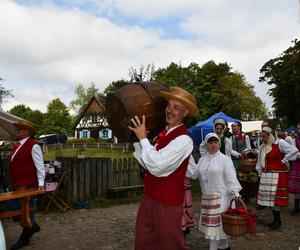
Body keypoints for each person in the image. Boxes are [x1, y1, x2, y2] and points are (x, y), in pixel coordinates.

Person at [129, 86, 199, 250]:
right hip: (149, 197)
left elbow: (158, 166)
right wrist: (139, 140)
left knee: (169, 245)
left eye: (177, 107)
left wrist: (144, 140)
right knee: (144, 242)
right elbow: (148, 162)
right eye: (169, 105)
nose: (170, 110)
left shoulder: (184, 139)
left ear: (185, 112)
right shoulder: (162, 134)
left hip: (167, 202)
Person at [187, 133, 242, 250]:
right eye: (210, 143)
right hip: (207, 199)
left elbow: (231, 178)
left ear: (219, 143)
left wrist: (235, 193)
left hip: (221, 200)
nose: (213, 145)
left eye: (215, 142)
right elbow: (193, 173)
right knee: (220, 233)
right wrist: (187, 157)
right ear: (206, 144)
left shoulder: (225, 160)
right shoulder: (202, 159)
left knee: (214, 233)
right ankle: (225, 247)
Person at [8, 120, 45, 250]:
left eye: (18, 129)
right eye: (16, 129)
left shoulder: (33, 146)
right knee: (14, 208)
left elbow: (40, 165)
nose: (16, 131)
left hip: (29, 184)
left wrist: (41, 183)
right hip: (16, 184)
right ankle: (32, 226)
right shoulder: (16, 145)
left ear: (26, 131)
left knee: (28, 211)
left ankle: (25, 238)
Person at [255, 125, 298, 230]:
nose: (263, 139)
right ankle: (275, 220)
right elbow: (260, 160)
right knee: (271, 199)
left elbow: (294, 150)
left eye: (264, 137)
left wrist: (284, 160)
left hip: (278, 175)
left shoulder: (280, 143)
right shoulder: (263, 146)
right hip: (268, 175)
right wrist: (259, 170)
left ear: (270, 136)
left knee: (275, 199)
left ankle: (278, 221)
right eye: (262, 137)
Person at [288, 121, 300, 215]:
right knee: (297, 187)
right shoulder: (295, 139)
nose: (299, 130)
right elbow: (294, 151)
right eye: (298, 128)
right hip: (297, 164)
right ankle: (296, 206)